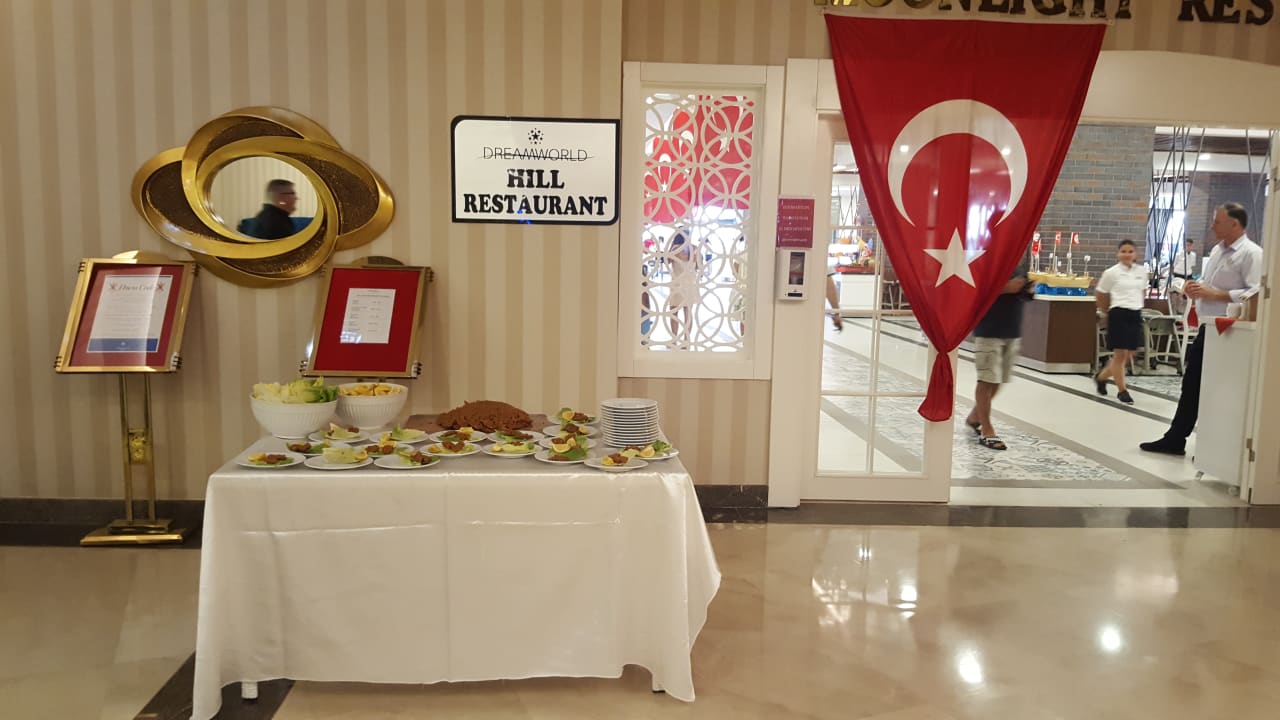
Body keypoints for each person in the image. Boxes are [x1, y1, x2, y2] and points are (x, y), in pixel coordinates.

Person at [1140, 203, 1263, 455]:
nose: (1212, 226)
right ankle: (1176, 438)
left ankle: (1220, 445)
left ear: (1235, 224)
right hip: (1208, 327)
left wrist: (1217, 294)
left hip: (1231, 330)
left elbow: (1255, 292)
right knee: (1192, 383)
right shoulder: (1217, 251)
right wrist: (1194, 288)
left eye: (1217, 222)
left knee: (1220, 388)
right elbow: (1208, 284)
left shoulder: (1251, 254)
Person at [964, 264, 1033, 451]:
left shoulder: (1018, 265)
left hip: (1012, 331)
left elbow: (1024, 295)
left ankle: (975, 416)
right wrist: (1004, 288)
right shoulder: (988, 263)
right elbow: (974, 291)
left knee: (999, 379)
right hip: (989, 330)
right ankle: (987, 430)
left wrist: (1028, 289)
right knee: (986, 380)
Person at [1093, 239, 1146, 405]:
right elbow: (1100, 293)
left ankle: (1101, 377)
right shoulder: (1111, 273)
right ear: (1118, 254)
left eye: (1130, 251)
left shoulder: (1141, 271)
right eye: (1123, 251)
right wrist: (1105, 311)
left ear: (1135, 254)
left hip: (1135, 313)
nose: (1127, 254)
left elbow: (1142, 291)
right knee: (1120, 355)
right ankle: (1122, 391)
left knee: (1130, 354)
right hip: (1118, 313)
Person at [666, 230, 701, 348]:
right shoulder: (694, 248)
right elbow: (698, 266)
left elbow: (667, 261)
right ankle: (686, 341)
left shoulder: (675, 248)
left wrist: (671, 247)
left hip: (677, 284)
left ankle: (674, 340)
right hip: (690, 284)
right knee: (688, 313)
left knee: (674, 312)